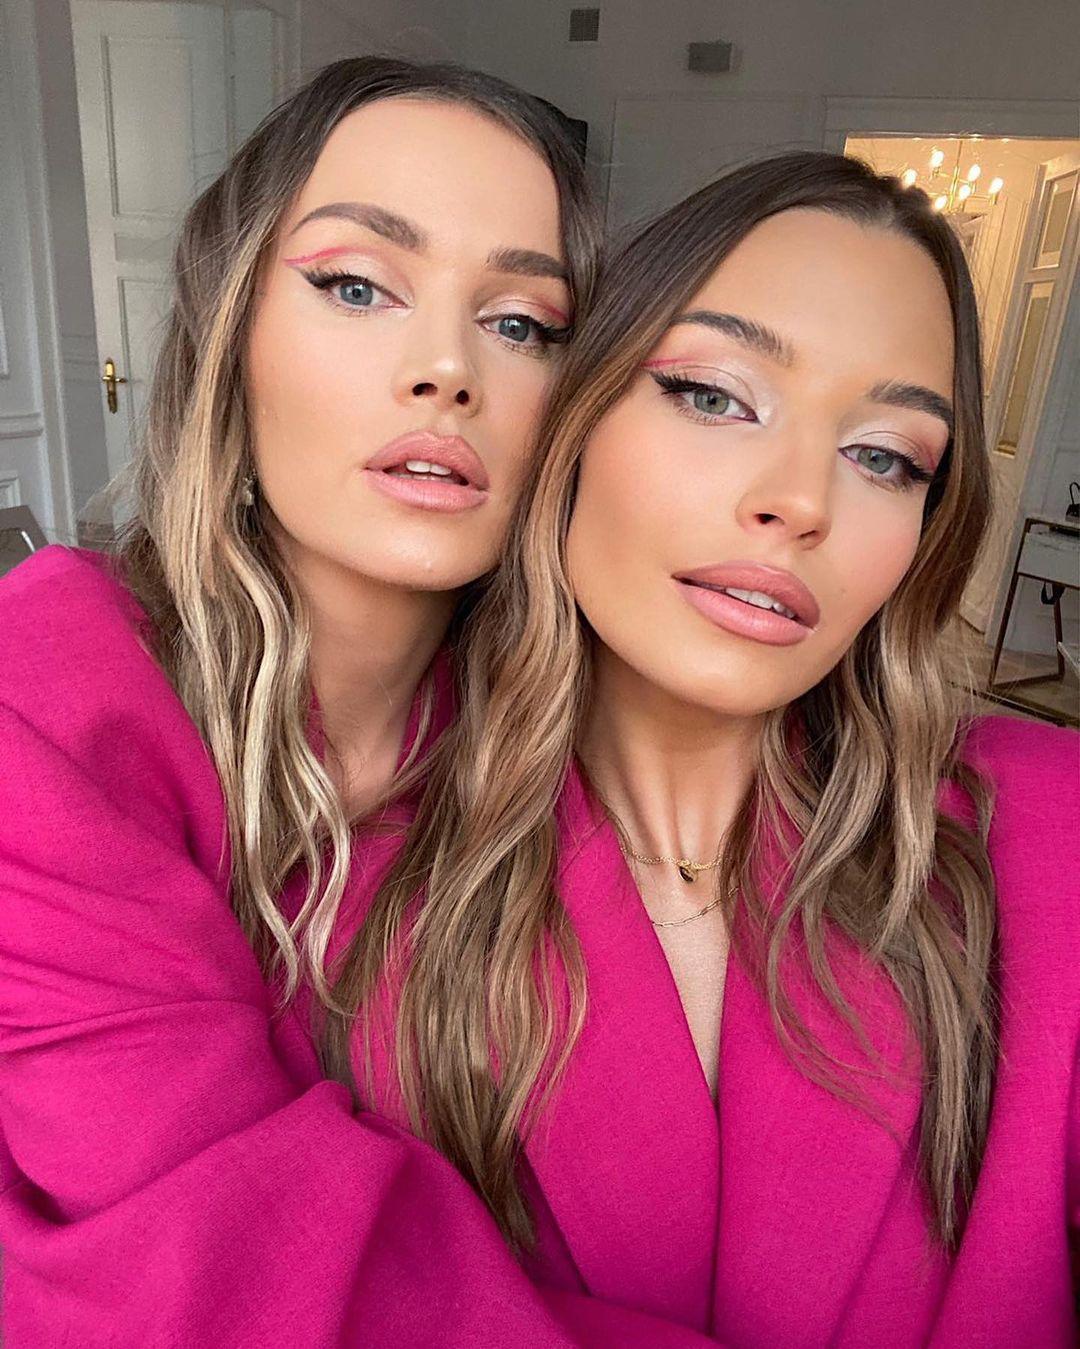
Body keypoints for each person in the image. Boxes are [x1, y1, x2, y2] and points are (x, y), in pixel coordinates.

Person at [0, 58, 727, 1347]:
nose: (448, 367)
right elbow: (216, 1270)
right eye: (354, 285)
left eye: (523, 323)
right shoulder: (45, 692)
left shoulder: (567, 756)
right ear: (232, 340)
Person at [340, 152, 1077, 1345]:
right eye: (715, 395)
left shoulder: (1043, 839)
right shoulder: (342, 882)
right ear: (571, 421)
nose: (802, 501)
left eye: (886, 456)